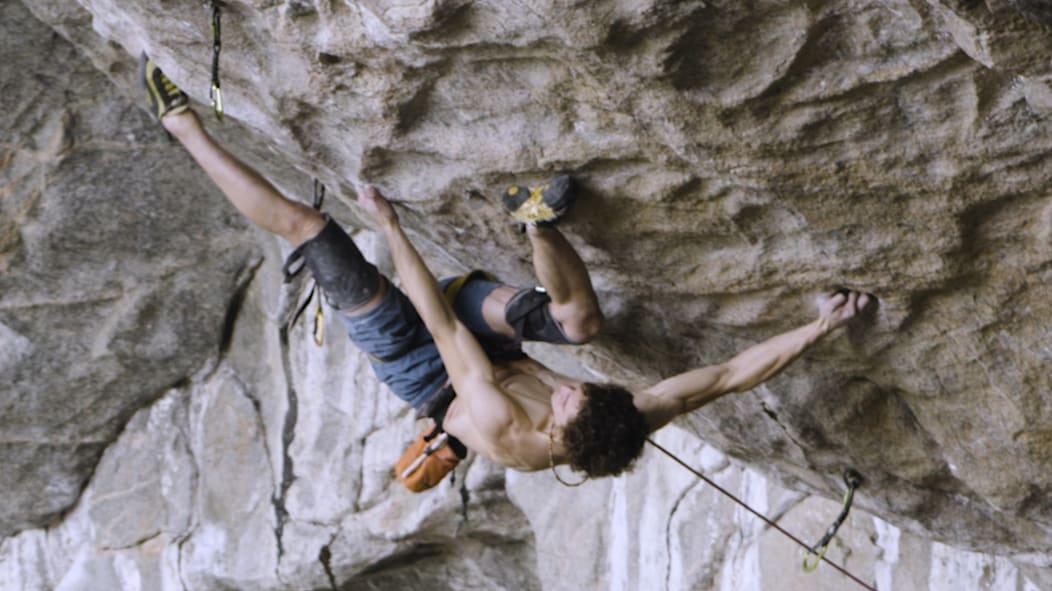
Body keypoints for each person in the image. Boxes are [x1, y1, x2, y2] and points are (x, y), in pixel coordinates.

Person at [141, 55, 876, 480]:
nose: (570, 392)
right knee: (581, 324)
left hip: (424, 363)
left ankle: (181, 125)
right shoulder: (618, 418)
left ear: (559, 438)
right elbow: (726, 377)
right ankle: (538, 224)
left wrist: (390, 227)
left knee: (310, 228)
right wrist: (821, 327)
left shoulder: (500, 424)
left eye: (565, 404)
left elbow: (430, 322)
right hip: (485, 340)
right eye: (582, 393)